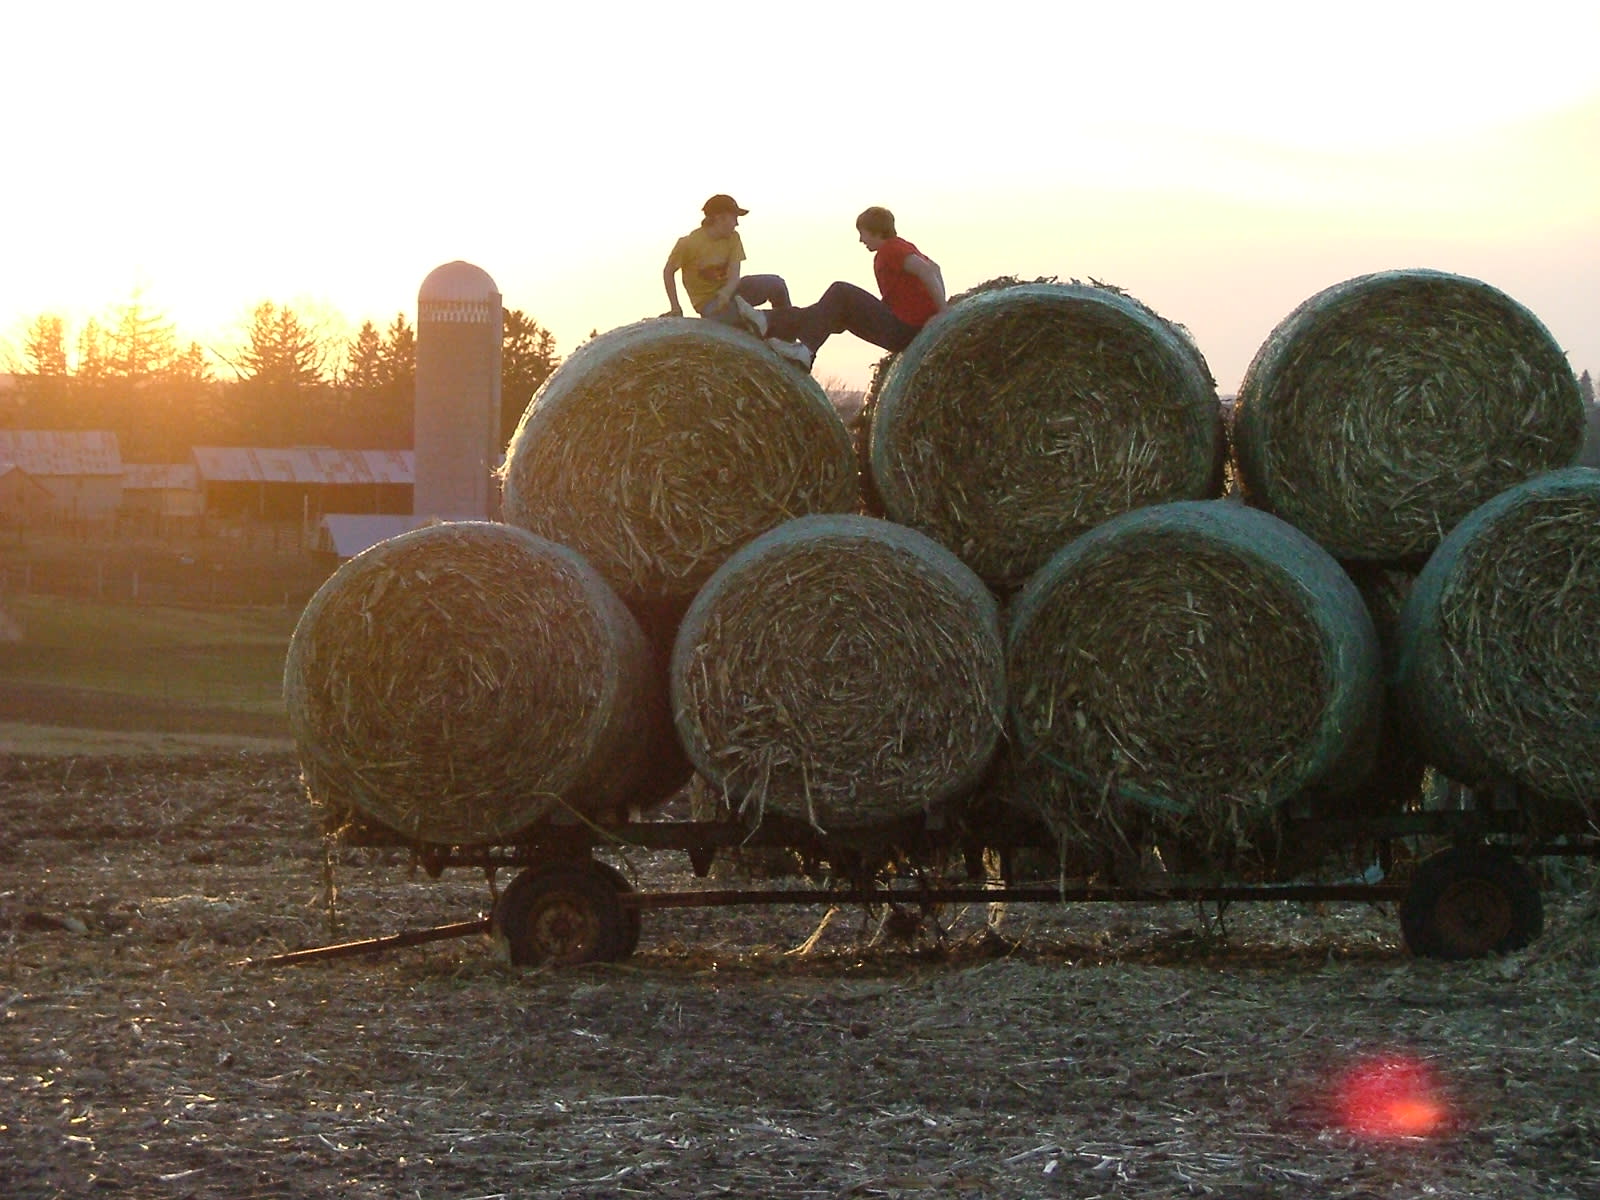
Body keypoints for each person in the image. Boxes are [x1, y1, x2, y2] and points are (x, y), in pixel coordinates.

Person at [749, 206, 948, 370]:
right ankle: (769, 321)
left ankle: (804, 348)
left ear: (876, 231)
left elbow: (927, 271)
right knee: (828, 313)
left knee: (840, 292)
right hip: (906, 329)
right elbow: (935, 268)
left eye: (862, 234)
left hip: (902, 330)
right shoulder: (904, 246)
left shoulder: (891, 250)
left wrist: (943, 314)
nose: (861, 240)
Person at [662, 194, 790, 331]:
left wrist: (726, 293)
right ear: (720, 218)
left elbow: (735, 275)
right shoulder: (688, 244)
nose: (737, 223)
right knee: (752, 321)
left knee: (777, 284)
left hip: (733, 292)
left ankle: (788, 331)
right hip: (709, 305)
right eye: (734, 218)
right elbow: (668, 272)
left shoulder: (733, 238)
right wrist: (675, 307)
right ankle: (778, 324)